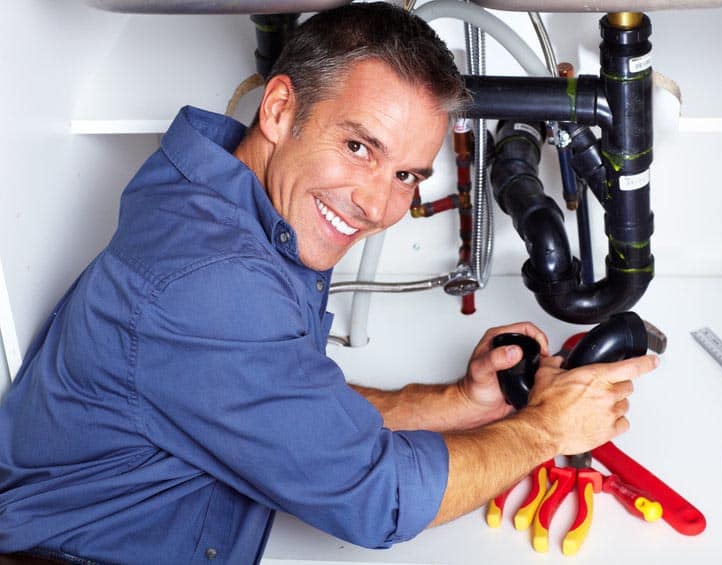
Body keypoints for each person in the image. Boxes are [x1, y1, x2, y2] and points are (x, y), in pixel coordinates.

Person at [0, 3, 657, 564]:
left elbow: (289, 402)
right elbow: (382, 498)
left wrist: (462, 399)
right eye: (360, 147)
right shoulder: (212, 284)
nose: (376, 204)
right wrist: (545, 430)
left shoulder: (231, 199)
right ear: (281, 109)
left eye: (407, 176)